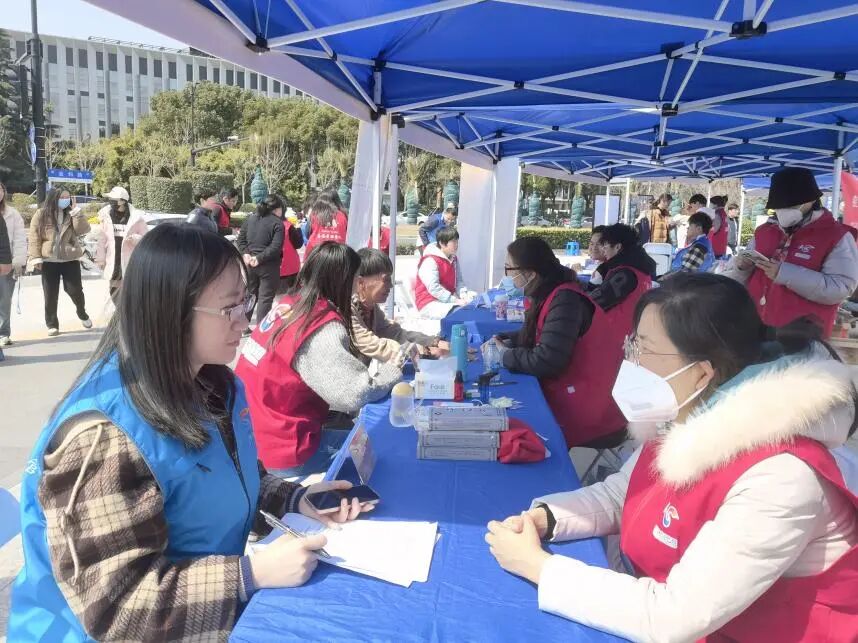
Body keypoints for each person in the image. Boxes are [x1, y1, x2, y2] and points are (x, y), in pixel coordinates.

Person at [8, 225, 370, 641]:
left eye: (246, 301)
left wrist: (294, 500)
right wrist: (250, 574)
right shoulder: (102, 439)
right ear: (172, 312)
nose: (245, 321)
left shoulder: (215, 387)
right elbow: (120, 610)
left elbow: (227, 479)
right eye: (230, 307)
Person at [485, 273, 858, 642]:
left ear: (701, 373)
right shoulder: (689, 416)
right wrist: (547, 517)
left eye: (643, 349)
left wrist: (540, 567)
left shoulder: (781, 477)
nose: (629, 360)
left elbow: (673, 616)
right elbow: (623, 494)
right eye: (632, 343)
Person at [236, 242, 401, 480]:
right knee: (377, 447)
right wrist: (392, 372)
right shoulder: (320, 325)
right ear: (345, 280)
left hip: (252, 434)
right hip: (282, 447)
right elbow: (353, 393)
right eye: (356, 279)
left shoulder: (289, 305)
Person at [490, 236, 626, 447]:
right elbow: (546, 334)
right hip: (576, 396)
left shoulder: (565, 301)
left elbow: (547, 360)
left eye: (509, 269)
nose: (507, 276)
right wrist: (510, 338)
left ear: (531, 274)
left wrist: (506, 355)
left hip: (590, 411)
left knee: (512, 433)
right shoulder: (551, 294)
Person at [727, 167, 858, 337]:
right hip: (754, 327)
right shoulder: (765, 231)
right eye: (779, 207)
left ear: (811, 201)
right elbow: (742, 278)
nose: (783, 211)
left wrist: (785, 274)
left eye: (791, 205)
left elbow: (840, 288)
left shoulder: (836, 236)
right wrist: (742, 268)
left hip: (801, 337)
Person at [353, 248, 449, 363]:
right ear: (361, 283)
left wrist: (432, 341)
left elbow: (396, 333)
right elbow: (370, 343)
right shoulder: (347, 309)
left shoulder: (371, 308)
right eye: (386, 280)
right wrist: (413, 350)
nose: (390, 285)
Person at [27, 188, 92, 337]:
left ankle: (82, 312)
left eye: (68, 197)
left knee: (75, 290)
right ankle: (52, 324)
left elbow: (83, 230)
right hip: (49, 260)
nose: (65, 200)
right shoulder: (41, 214)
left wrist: (76, 213)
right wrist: (35, 257)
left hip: (70, 258)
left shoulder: (72, 213)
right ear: (53, 198)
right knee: (50, 294)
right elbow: (34, 237)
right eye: (62, 197)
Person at [587, 224, 656, 327]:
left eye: (605, 246)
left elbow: (594, 302)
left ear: (617, 247)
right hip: (632, 328)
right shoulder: (639, 267)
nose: (603, 250)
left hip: (616, 332)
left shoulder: (625, 274)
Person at [236, 194, 285, 328]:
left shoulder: (250, 219)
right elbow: (276, 247)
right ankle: (260, 331)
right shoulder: (277, 223)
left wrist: (246, 253)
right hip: (268, 267)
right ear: (277, 209)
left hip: (249, 265)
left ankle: (242, 326)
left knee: (250, 295)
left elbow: (240, 240)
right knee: (265, 299)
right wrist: (259, 258)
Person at [94, 186, 148, 299]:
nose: (111, 202)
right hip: (113, 259)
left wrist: (136, 239)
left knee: (129, 291)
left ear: (123, 201)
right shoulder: (106, 216)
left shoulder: (136, 218)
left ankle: (126, 308)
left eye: (114, 199)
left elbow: (146, 239)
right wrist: (100, 259)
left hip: (130, 260)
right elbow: (102, 240)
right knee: (113, 291)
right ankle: (118, 309)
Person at [414, 226, 466, 319]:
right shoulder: (430, 261)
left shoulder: (454, 259)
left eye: (457, 241)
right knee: (460, 313)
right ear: (442, 243)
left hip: (447, 301)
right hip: (428, 303)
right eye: (453, 242)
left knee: (473, 305)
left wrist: (464, 295)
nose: (456, 245)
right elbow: (434, 288)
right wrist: (455, 300)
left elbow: (459, 281)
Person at [0, 181, 26, 347]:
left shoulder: (12, 214)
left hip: (6, 262)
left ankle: (3, 333)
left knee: (4, 299)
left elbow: (20, 239)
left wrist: (18, 261)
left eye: (0, 189)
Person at [304, 190, 348, 258]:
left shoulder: (314, 214)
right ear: (337, 201)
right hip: (338, 255)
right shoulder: (343, 216)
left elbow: (307, 233)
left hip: (315, 253)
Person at [278, 208, 304, 294]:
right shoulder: (289, 226)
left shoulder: (264, 225)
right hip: (290, 268)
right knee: (291, 297)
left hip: (271, 270)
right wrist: (298, 228)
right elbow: (298, 244)